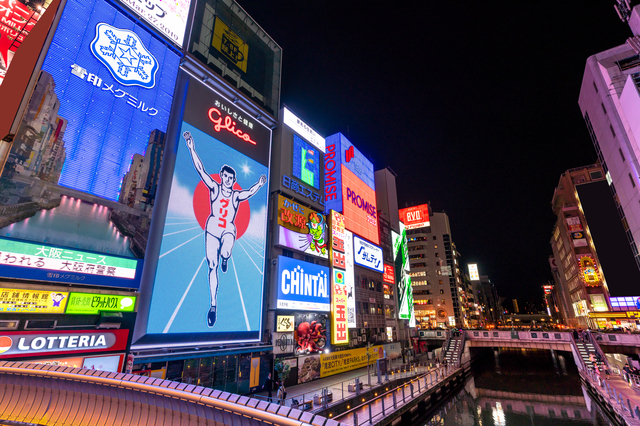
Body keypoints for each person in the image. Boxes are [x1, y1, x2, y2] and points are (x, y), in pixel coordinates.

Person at [183, 131, 267, 327]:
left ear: (233, 179)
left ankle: (226, 257)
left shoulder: (236, 195)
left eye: (231, 178)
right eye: (226, 176)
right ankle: (213, 305)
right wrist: (191, 147)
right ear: (221, 176)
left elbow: (249, 192)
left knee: (226, 250)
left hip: (228, 229)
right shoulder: (214, 187)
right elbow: (200, 169)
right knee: (212, 266)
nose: (228, 180)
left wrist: (260, 184)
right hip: (212, 229)